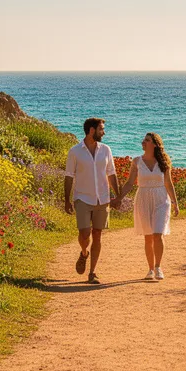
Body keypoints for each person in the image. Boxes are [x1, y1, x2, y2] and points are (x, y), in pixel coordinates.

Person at [63, 117, 120, 284]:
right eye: (101, 129)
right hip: (82, 197)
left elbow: (111, 173)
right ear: (92, 130)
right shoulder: (75, 151)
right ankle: (84, 253)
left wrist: (118, 196)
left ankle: (92, 272)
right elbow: (68, 176)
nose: (104, 132)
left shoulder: (106, 150)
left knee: (97, 234)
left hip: (102, 198)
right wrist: (66, 200)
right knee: (84, 233)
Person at [118, 132, 180, 280]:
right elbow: (129, 183)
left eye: (147, 140)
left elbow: (168, 183)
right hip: (143, 198)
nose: (143, 142)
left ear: (154, 144)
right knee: (148, 236)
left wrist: (175, 202)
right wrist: (119, 198)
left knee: (158, 234)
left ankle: (158, 267)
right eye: (144, 140)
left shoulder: (163, 161)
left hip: (161, 198)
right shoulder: (137, 161)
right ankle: (150, 269)